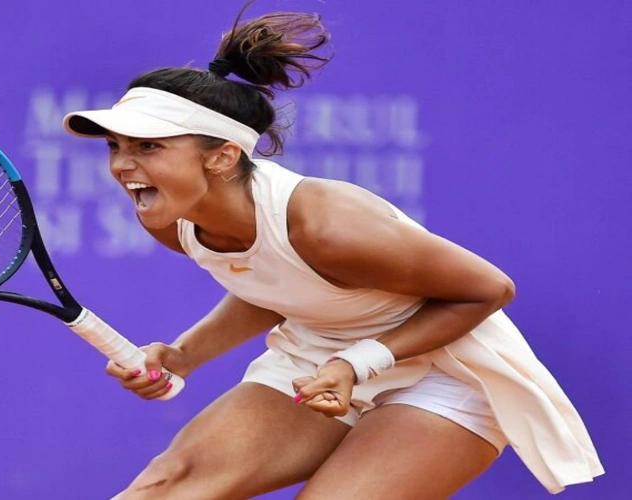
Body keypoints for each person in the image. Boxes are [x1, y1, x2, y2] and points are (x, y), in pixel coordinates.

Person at [62, 5, 603, 499]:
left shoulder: (327, 226)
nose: (123, 165)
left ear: (222, 157)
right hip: (315, 360)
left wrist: (357, 362)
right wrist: (185, 354)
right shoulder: (170, 218)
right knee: (165, 487)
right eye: (116, 146)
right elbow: (276, 285)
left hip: (447, 370)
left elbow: (489, 291)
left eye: (149, 147)